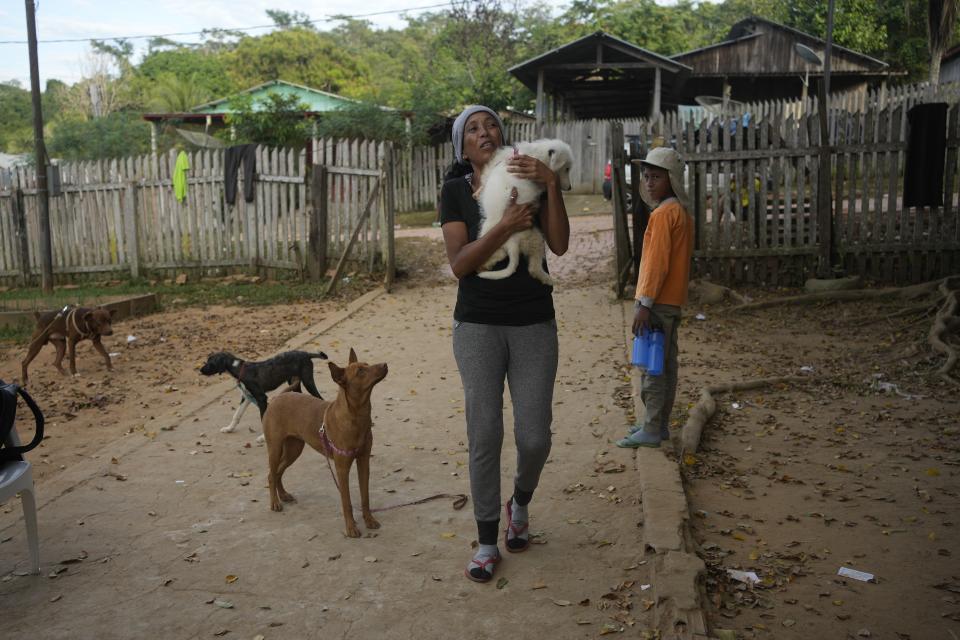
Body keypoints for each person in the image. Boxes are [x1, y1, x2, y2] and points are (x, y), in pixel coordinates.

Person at [439, 105, 570, 583]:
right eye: (473, 129)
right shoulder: (455, 192)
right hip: (477, 325)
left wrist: (551, 183)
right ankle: (488, 539)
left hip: (534, 321)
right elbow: (459, 264)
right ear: (463, 146)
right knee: (485, 433)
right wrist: (505, 226)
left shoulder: (527, 175)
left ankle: (521, 500)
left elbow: (559, 246)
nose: (485, 132)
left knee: (535, 436)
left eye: (491, 124)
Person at [617, 147, 694, 449]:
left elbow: (656, 263)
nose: (649, 183)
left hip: (657, 304)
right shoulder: (681, 213)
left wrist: (644, 304)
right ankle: (657, 424)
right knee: (666, 364)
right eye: (647, 176)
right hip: (672, 302)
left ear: (671, 179)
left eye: (657, 177)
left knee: (653, 367)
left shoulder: (663, 215)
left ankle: (650, 428)